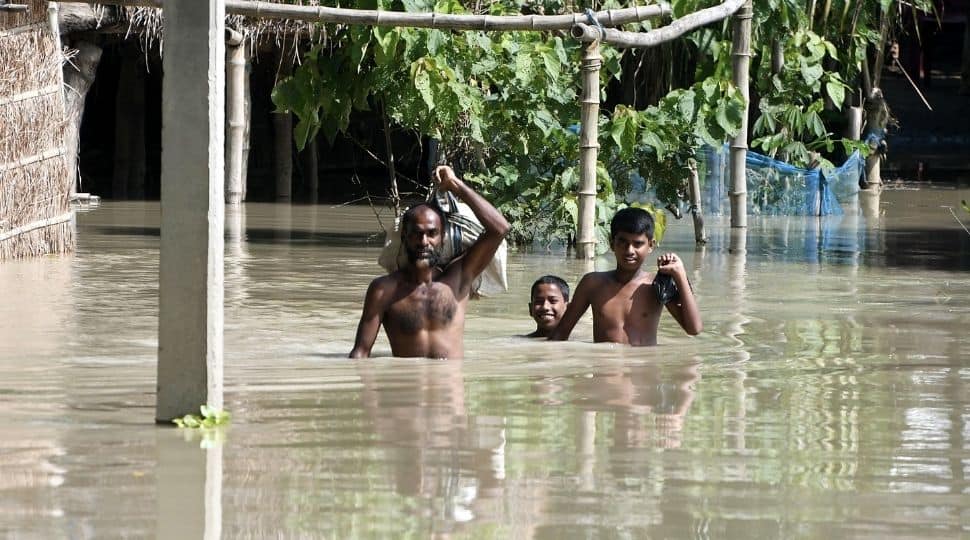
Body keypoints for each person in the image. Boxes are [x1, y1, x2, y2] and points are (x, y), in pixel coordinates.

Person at [349, 165, 510, 359]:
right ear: (404, 237)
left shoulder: (458, 278)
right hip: (407, 386)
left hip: (448, 385)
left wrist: (456, 186)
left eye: (432, 234)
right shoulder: (384, 289)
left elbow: (500, 229)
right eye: (416, 234)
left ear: (442, 238)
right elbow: (360, 354)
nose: (424, 242)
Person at [549, 207, 702, 346]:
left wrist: (680, 274)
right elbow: (561, 333)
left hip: (643, 370)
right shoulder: (592, 283)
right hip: (605, 370)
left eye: (638, 244)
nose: (629, 250)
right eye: (623, 242)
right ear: (611, 243)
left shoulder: (657, 284)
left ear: (651, 245)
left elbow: (694, 329)